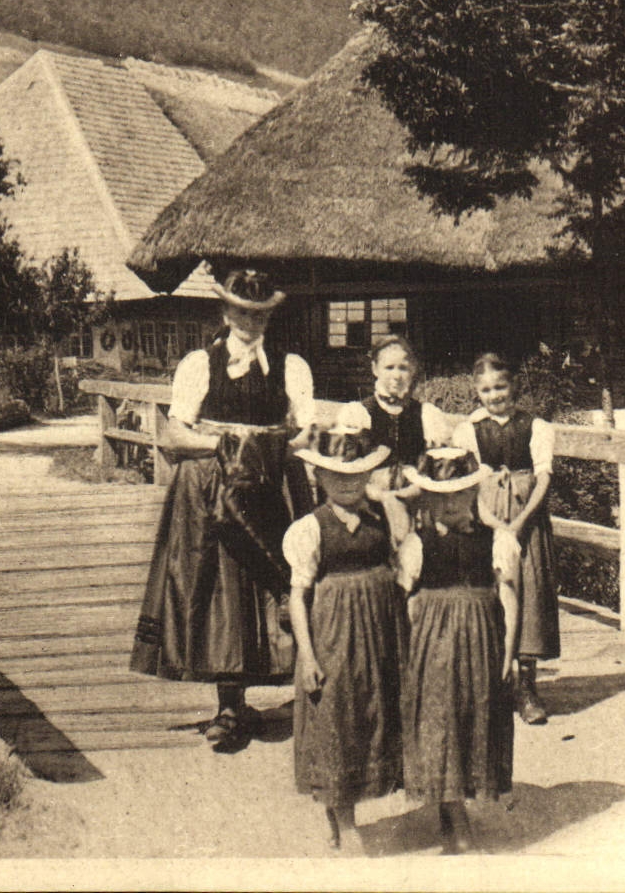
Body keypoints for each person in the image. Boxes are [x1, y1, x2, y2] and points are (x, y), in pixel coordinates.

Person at [131, 268, 315, 752]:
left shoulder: (290, 366)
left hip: (273, 485)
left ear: (269, 316)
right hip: (210, 490)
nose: (249, 321)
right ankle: (229, 706)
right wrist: (224, 447)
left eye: (259, 313)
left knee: (274, 588)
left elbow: (306, 434)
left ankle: (302, 693)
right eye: (240, 311)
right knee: (221, 593)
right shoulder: (199, 363)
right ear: (225, 311)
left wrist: (262, 449)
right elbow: (174, 434)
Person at [284, 406, 408, 853]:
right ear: (318, 477)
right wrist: (309, 657)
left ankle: (349, 811)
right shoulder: (310, 529)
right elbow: (298, 596)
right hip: (334, 635)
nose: (349, 485)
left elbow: (400, 564)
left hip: (379, 633)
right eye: (337, 477)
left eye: (357, 476)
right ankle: (344, 820)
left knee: (373, 717)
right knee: (335, 720)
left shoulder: (380, 520)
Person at [387, 447, 518, 855]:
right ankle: (453, 812)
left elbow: (509, 597)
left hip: (481, 636)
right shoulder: (417, 545)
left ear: (473, 494)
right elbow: (406, 603)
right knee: (440, 717)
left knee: (474, 713)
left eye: (457, 494)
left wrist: (510, 652)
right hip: (434, 640)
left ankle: (457, 798)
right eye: (437, 496)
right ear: (424, 498)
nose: (447, 504)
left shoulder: (496, 540)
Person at [451, 353, 558, 725]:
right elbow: (467, 486)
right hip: (488, 516)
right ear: (476, 392)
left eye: (501, 386)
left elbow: (543, 478)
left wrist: (519, 523)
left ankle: (527, 688)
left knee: (528, 593)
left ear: (514, 386)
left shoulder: (536, 426)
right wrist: (496, 524)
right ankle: (495, 683)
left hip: (527, 517)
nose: (494, 395)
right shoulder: (469, 430)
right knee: (492, 594)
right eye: (486, 389)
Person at [360, 335, 454, 490]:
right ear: (375, 369)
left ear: (412, 370)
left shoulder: (426, 414)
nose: (397, 376)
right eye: (389, 367)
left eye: (403, 368)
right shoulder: (361, 413)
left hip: (415, 496)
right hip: (371, 498)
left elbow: (438, 470)